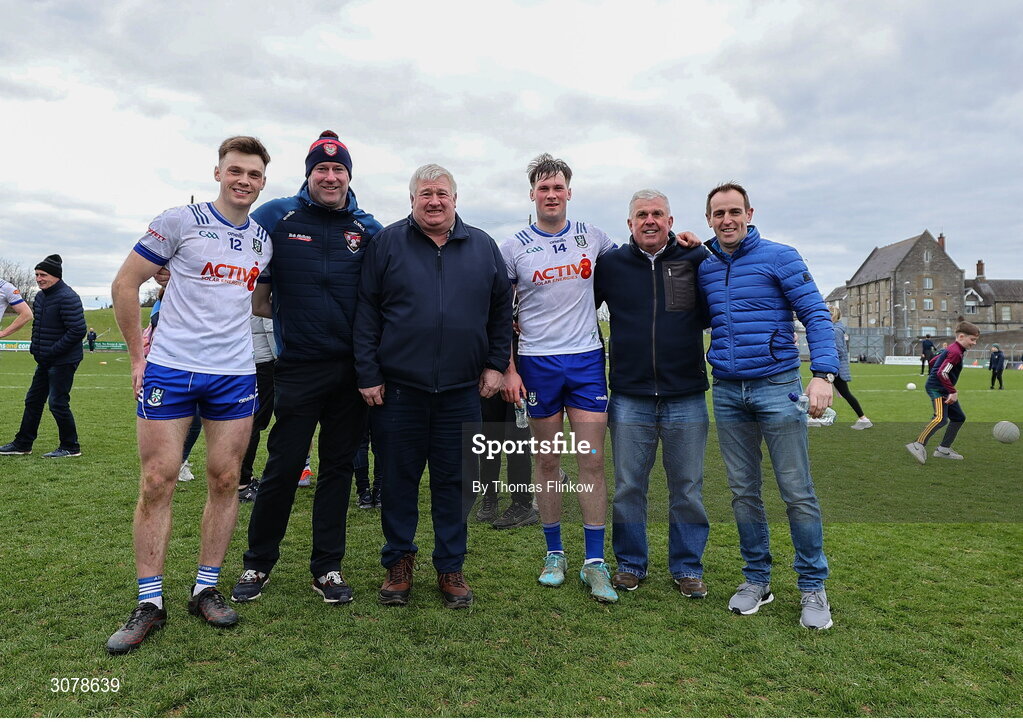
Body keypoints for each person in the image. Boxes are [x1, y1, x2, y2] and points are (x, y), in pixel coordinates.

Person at [106, 135, 272, 654]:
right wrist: (139, 357)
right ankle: (149, 601)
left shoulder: (263, 240)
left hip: (234, 375)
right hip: (171, 369)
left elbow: (257, 299)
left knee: (226, 479)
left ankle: (206, 588)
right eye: (235, 171)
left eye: (253, 174)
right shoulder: (179, 220)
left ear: (263, 182)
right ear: (218, 173)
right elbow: (124, 284)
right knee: (157, 480)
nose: (244, 181)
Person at [231, 130, 382, 607]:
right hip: (296, 366)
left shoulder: (368, 226)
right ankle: (257, 563)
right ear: (309, 174)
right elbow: (245, 272)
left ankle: (327, 568)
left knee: (338, 468)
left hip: (350, 371)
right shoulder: (277, 215)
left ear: (349, 176)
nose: (330, 176)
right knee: (283, 466)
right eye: (322, 169)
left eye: (339, 170)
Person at [355, 164, 512, 609]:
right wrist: (368, 372)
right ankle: (399, 563)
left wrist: (496, 363)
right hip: (399, 391)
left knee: (455, 483)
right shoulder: (386, 243)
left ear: (455, 199)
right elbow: (366, 311)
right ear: (412, 200)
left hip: (463, 391)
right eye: (425, 194)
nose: (434, 201)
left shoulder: (481, 246)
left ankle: (450, 566)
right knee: (399, 481)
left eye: (442, 193)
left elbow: (502, 309)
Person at [698, 182, 838, 630]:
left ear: (749, 212)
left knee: (796, 492)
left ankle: (813, 587)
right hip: (727, 390)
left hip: (779, 387)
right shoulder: (704, 264)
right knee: (742, 493)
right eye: (718, 213)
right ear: (709, 219)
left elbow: (816, 314)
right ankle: (757, 579)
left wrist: (823, 373)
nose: (727, 220)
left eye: (734, 211)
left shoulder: (781, 256)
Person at [498, 153, 619, 604]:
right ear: (532, 194)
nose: (551, 195)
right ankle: (554, 553)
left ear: (569, 191)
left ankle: (594, 562)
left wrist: (682, 241)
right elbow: (499, 312)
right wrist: (509, 366)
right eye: (543, 188)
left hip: (586, 361)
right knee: (548, 463)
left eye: (558, 187)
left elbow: (634, 265)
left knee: (590, 462)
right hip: (537, 364)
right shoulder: (513, 247)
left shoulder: (594, 237)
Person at [594, 189, 711, 597]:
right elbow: (575, 309)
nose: (649, 220)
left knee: (688, 487)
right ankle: (630, 563)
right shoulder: (610, 265)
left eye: (657, 214)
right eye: (641, 214)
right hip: (630, 395)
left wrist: (705, 245)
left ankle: (687, 567)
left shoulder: (694, 258)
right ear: (629, 224)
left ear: (671, 221)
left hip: (687, 394)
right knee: (629, 486)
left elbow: (737, 258)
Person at [0, 255, 86, 458]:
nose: (38, 279)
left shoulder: (68, 297)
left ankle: (70, 446)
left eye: (43, 275)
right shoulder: (40, 297)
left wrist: (52, 350)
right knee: (33, 401)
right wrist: (35, 348)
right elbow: (38, 327)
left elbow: (77, 330)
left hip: (64, 360)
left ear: (56, 276)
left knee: (57, 403)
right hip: (46, 359)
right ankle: (23, 443)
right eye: (37, 274)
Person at [906, 321, 981, 464]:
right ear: (961, 337)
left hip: (943, 387)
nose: (974, 343)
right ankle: (918, 444)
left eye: (976, 340)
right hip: (938, 389)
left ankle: (943, 449)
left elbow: (933, 361)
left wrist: (947, 384)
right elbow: (942, 373)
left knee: (958, 417)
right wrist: (952, 390)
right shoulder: (955, 352)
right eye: (972, 340)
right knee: (941, 418)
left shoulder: (954, 349)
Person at [236, 315, 278, 501]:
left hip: (246, 360)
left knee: (247, 420)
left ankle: (242, 477)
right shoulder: (263, 289)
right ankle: (243, 482)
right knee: (254, 422)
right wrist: (281, 359)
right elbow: (270, 326)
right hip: (263, 362)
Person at [830, 308, 872, 429]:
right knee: (842, 393)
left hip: (835, 368)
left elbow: (840, 350)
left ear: (835, 316)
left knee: (845, 393)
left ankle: (863, 419)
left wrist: (830, 361)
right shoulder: (835, 328)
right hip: (835, 366)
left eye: (830, 313)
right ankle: (863, 418)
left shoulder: (836, 330)